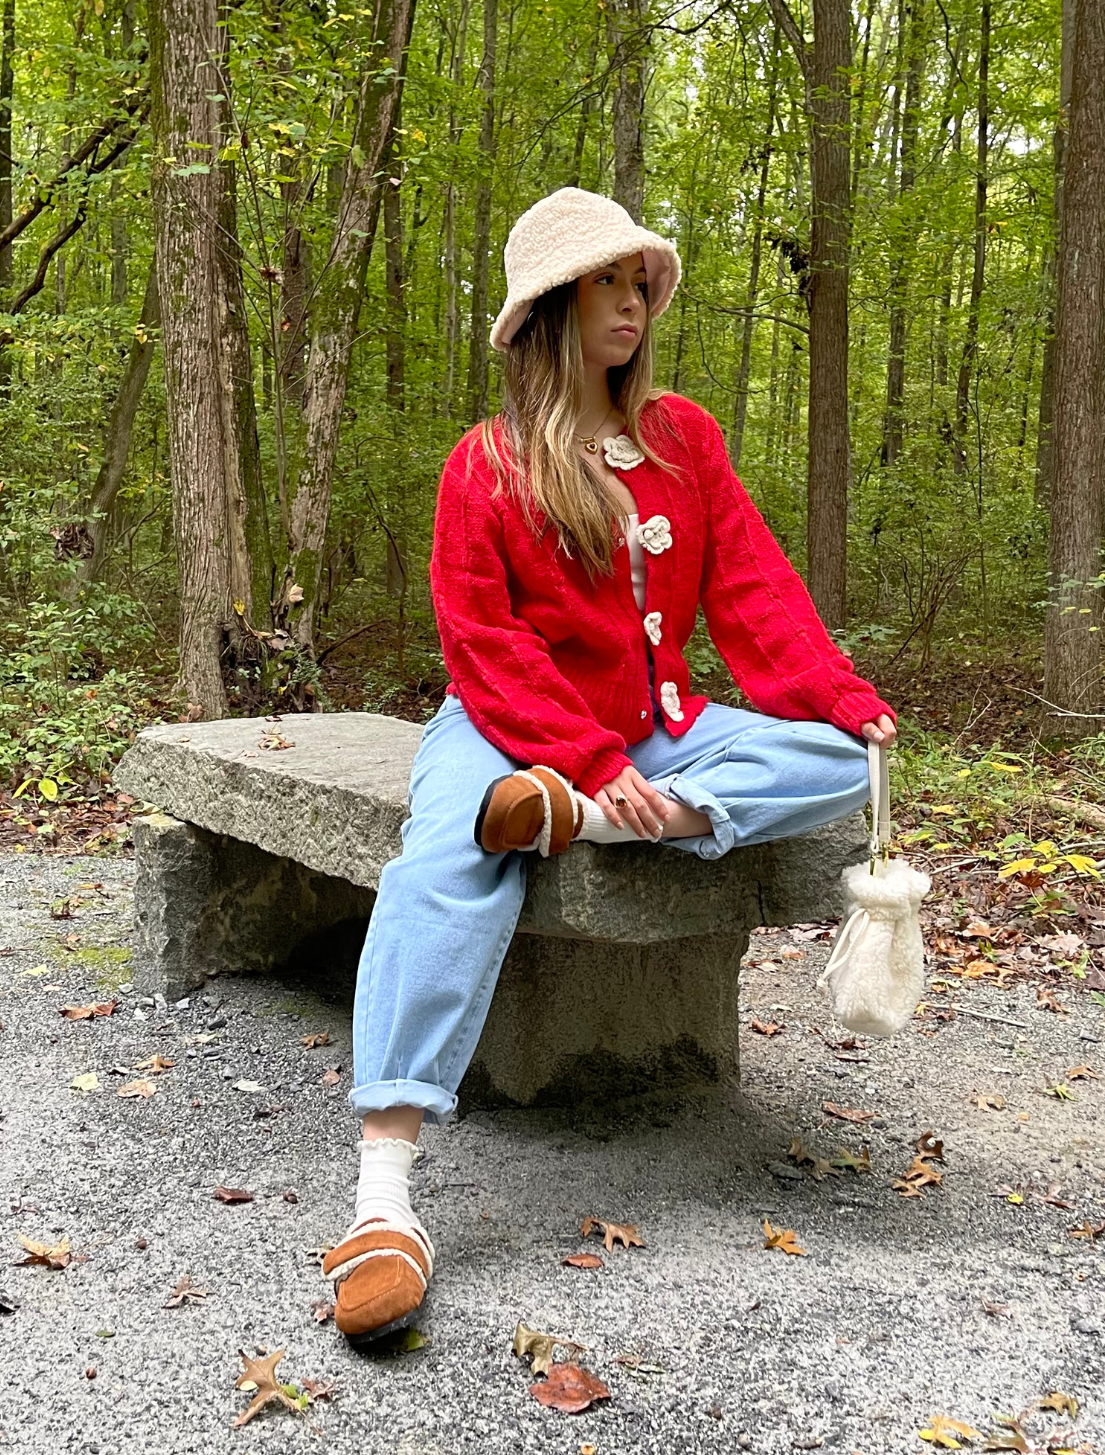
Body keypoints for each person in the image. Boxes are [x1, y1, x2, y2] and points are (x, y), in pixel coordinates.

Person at [320, 187, 897, 1344]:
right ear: (551, 304)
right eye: (608, 283)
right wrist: (578, 752)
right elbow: (485, 641)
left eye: (642, 285)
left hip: (656, 730)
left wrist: (840, 696)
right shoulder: (484, 466)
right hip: (504, 721)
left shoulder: (684, 438)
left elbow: (753, 593)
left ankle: (604, 821)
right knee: (447, 849)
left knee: (843, 761)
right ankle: (384, 1199)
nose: (633, 304)